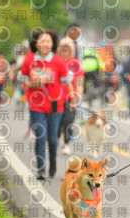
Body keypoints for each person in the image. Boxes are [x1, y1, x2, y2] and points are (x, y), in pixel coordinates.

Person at [19, 29, 73, 180]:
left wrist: (73, 97)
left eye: (48, 41)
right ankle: (41, 168)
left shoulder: (58, 61)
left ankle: (53, 163)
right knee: (40, 136)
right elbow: (21, 77)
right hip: (36, 105)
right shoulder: (30, 59)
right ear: (36, 43)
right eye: (42, 41)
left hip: (55, 104)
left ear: (53, 44)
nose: (45, 44)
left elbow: (66, 81)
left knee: (53, 139)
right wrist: (31, 83)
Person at [57, 37, 84, 155]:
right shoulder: (55, 61)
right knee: (56, 122)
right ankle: (58, 140)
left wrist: (77, 97)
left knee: (68, 121)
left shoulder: (75, 64)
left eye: (67, 49)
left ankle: (66, 143)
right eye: (63, 49)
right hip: (55, 100)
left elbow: (79, 82)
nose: (65, 52)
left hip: (70, 99)